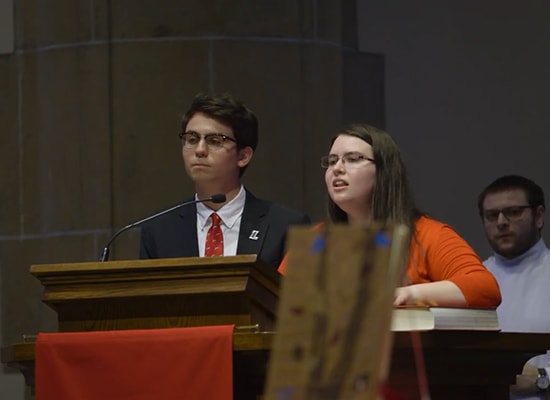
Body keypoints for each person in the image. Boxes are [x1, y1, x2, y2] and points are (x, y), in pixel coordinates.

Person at [279, 123, 501, 307]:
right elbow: (275, 298)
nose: (337, 168)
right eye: (332, 160)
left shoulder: (427, 235)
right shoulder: (317, 239)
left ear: (385, 172)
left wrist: (408, 294)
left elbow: (484, 288)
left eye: (353, 159)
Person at [139, 92, 310, 269]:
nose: (200, 150)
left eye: (214, 141)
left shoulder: (287, 226)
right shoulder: (159, 231)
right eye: (191, 139)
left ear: (243, 156)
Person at [478, 175, 550, 399]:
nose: (501, 222)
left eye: (513, 212)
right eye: (491, 215)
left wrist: (542, 378)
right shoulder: (473, 281)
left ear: (538, 216)